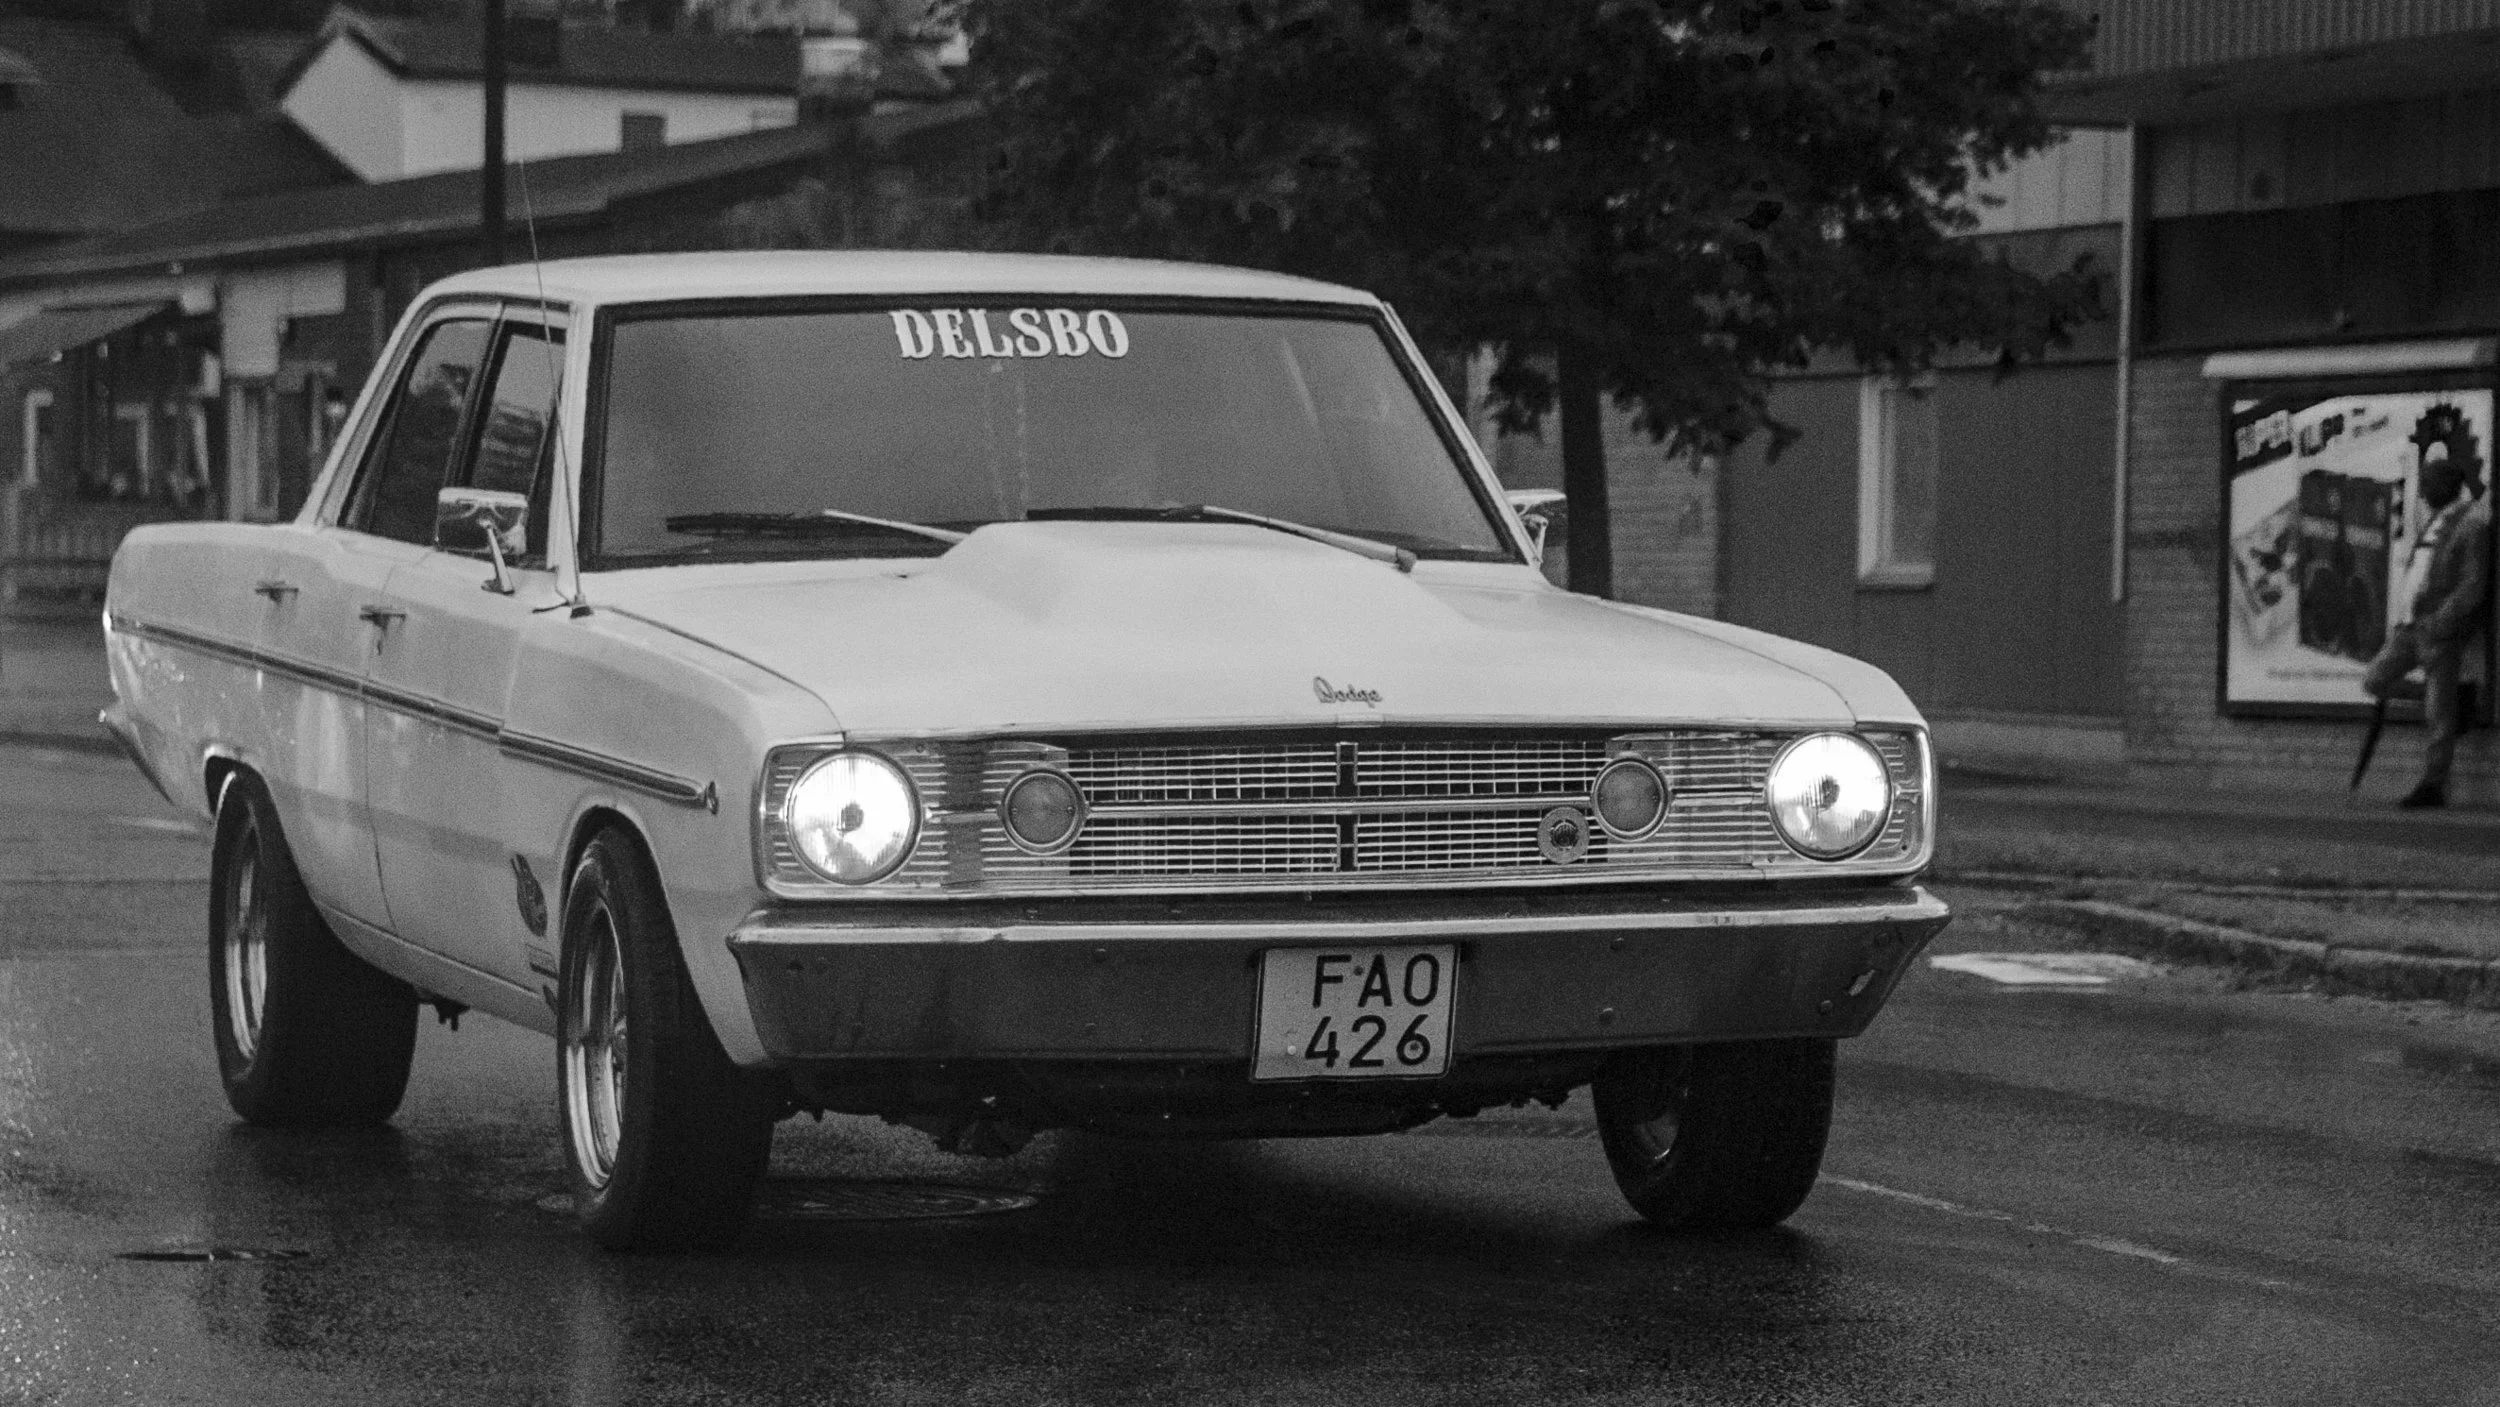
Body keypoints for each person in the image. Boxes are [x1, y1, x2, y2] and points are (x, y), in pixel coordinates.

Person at [2364, 439, 2491, 808]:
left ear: (2441, 488)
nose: (2421, 493)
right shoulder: (2437, 521)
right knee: (2375, 679)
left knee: (2437, 717)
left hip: (2437, 632)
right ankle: (2452, 700)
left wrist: (2441, 621)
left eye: (2426, 486)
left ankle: (2433, 785)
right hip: (2410, 629)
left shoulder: (2470, 526)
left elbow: (2472, 586)